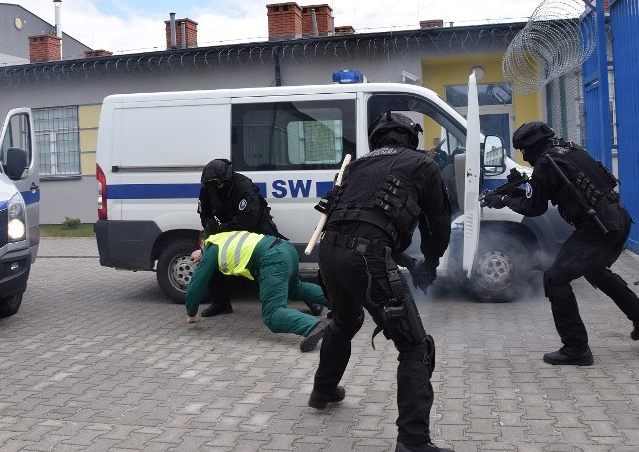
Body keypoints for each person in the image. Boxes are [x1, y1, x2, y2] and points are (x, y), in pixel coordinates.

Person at [308, 112, 453, 452]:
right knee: (415, 347)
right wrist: (430, 263)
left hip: (329, 253)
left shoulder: (356, 167)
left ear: (378, 139)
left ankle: (322, 391)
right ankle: (413, 442)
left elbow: (365, 224)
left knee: (345, 322)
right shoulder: (422, 165)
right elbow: (439, 224)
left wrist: (409, 262)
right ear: (409, 137)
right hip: (365, 258)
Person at [484, 121, 639, 366]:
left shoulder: (547, 163)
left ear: (534, 146)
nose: (524, 156)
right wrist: (518, 191)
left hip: (597, 228)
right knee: (595, 270)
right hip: (618, 220)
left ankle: (576, 348)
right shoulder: (568, 150)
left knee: (555, 277)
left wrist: (504, 200)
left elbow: (534, 207)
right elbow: (542, 194)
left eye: (524, 150)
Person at [198, 158, 324, 318]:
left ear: (226, 179)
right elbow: (204, 214)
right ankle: (220, 303)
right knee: (211, 257)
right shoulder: (208, 188)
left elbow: (250, 219)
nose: (216, 188)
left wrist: (222, 228)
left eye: (219, 184)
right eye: (212, 186)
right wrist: (210, 227)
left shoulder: (243, 186)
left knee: (279, 263)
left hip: (257, 228)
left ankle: (312, 299)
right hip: (228, 230)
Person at [185, 230, 331, 352]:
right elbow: (209, 250)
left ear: (203, 242)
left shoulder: (212, 247)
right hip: (285, 248)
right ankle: (341, 304)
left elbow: (196, 284)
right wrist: (202, 251)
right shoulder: (223, 237)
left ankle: (313, 326)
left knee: (272, 314)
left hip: (273, 259)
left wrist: (192, 314)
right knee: (296, 288)